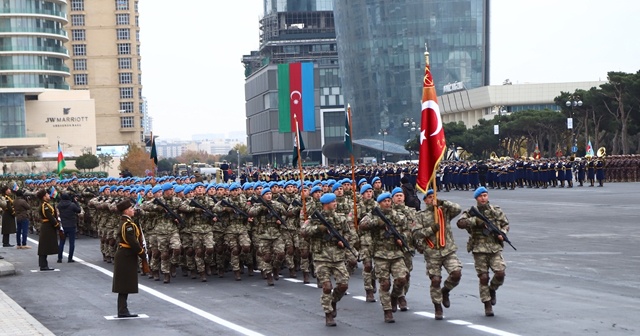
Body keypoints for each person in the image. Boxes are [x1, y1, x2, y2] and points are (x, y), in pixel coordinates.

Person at [456, 187, 510, 317]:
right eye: (480, 196)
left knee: (500, 273)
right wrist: (476, 221)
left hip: (494, 247)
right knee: (483, 277)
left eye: (485, 195)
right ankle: (487, 304)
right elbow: (460, 223)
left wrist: (503, 233)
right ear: (476, 198)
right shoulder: (470, 212)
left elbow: (505, 224)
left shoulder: (495, 210)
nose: (483, 198)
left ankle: (492, 290)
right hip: (479, 248)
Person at [300, 193, 352, 327]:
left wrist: (343, 241)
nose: (335, 203)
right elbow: (304, 231)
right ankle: (328, 313)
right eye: (333, 201)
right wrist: (319, 228)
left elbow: (348, 233)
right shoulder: (315, 218)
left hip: (337, 256)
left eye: (335, 201)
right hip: (321, 257)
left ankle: (333, 301)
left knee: (343, 285)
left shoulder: (340, 218)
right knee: (327, 286)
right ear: (326, 204)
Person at [359, 192, 409, 323]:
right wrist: (378, 222)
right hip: (380, 255)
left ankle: (394, 297)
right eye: (384, 201)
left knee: (402, 279)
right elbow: (362, 225)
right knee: (385, 283)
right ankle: (387, 311)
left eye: (389, 200)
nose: (387, 203)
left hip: (397, 254)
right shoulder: (373, 215)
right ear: (379, 203)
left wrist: (402, 239)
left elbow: (405, 228)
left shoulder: (396, 215)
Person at [412, 189, 462, 320]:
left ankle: (445, 291)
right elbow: (416, 233)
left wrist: (442, 202)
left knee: (456, 273)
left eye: (433, 196)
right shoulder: (420, 216)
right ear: (425, 201)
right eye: (429, 197)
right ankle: (437, 306)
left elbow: (458, 209)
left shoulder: (443, 211)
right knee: (435, 280)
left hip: (448, 250)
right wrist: (431, 230)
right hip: (432, 252)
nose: (432, 199)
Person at [112, 199, 145, 318]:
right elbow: (132, 241)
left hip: (126, 254)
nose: (133, 210)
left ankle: (123, 309)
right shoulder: (127, 225)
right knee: (123, 283)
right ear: (126, 211)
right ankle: (122, 310)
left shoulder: (127, 222)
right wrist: (141, 252)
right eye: (131, 209)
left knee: (124, 283)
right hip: (126, 255)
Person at [37, 188, 63, 271]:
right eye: (47, 194)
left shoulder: (47, 204)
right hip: (47, 227)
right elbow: (50, 217)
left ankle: (44, 264)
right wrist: (57, 225)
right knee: (44, 247)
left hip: (48, 227)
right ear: (44, 197)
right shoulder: (45, 206)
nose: (49, 195)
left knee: (45, 246)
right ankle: (43, 265)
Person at [57, 193, 82, 263]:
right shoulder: (72, 205)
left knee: (62, 242)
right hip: (71, 224)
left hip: (63, 225)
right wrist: (76, 202)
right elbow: (79, 210)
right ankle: (70, 258)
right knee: (71, 242)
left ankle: (59, 258)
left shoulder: (59, 205)